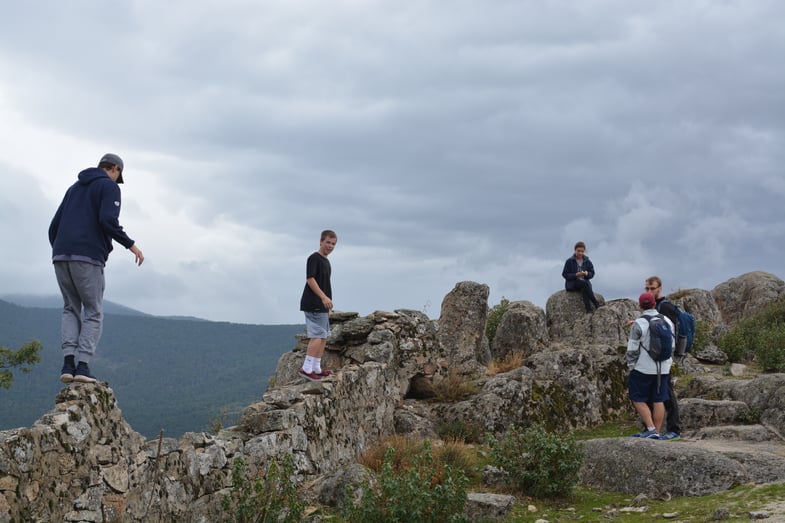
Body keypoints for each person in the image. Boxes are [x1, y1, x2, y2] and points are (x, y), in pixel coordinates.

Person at [49, 153, 144, 384]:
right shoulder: (109, 187)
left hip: (61, 255)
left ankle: (67, 363)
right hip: (88, 257)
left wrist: (61, 248)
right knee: (93, 311)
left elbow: (54, 226)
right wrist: (131, 245)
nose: (116, 179)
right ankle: (82, 366)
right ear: (114, 169)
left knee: (70, 308)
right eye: (117, 175)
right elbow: (107, 220)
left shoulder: (74, 188)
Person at [626, 292, 675, 439]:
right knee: (658, 399)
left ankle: (651, 428)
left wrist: (631, 366)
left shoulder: (638, 323)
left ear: (640, 306)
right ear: (654, 303)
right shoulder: (667, 320)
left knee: (637, 397)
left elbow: (632, 349)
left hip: (643, 368)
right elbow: (672, 346)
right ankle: (657, 433)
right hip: (664, 367)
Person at [644, 276, 682, 441]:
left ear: (660, 288)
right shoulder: (655, 306)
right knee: (656, 392)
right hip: (655, 357)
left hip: (663, 358)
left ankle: (674, 429)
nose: (649, 291)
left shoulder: (665, 307)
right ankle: (652, 428)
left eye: (652, 288)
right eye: (647, 288)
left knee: (667, 392)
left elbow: (667, 333)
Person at [298, 230, 337, 382]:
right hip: (313, 302)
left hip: (322, 305)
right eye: (328, 242)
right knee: (317, 335)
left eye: (333, 244)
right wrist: (323, 298)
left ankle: (316, 367)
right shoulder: (314, 258)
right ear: (321, 241)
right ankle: (306, 368)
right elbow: (310, 279)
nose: (330, 246)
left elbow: (326, 285)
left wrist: (328, 306)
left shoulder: (326, 262)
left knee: (324, 336)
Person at [562, 241, 600, 313]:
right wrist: (576, 275)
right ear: (575, 250)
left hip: (584, 283)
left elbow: (592, 273)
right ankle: (596, 303)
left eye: (582, 251)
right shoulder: (569, 261)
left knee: (584, 289)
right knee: (585, 285)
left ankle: (588, 310)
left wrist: (587, 274)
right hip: (573, 283)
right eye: (578, 251)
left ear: (584, 251)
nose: (580, 253)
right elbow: (565, 274)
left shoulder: (587, 261)